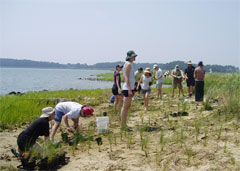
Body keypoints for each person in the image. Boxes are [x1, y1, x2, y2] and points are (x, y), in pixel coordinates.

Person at [121, 50, 137, 128]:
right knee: (125, 107)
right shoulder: (128, 64)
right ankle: (123, 125)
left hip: (129, 87)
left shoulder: (130, 64)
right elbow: (126, 77)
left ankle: (124, 124)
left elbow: (126, 77)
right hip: (127, 88)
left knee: (127, 106)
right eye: (134, 56)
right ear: (130, 57)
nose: (135, 57)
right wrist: (130, 89)